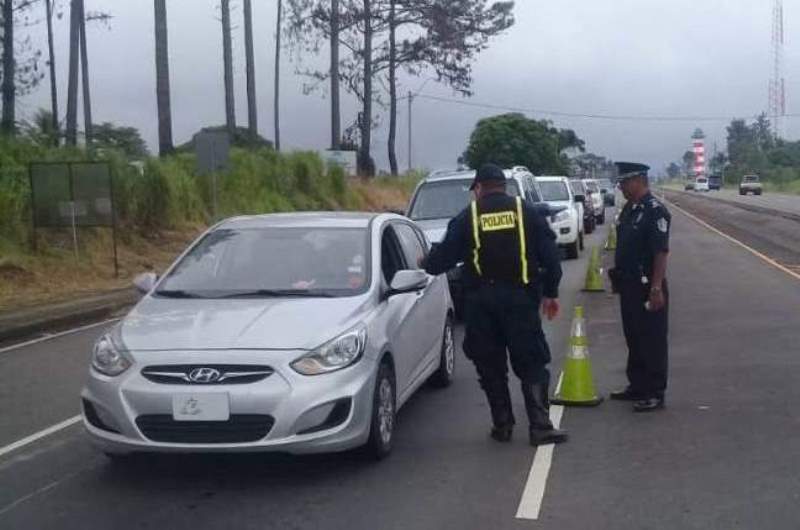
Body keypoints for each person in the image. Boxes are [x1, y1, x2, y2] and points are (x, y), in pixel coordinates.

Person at [421, 163, 567, 446]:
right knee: (532, 362)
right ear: (504, 186)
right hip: (521, 302)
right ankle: (540, 427)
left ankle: (503, 425)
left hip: (481, 306)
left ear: (478, 188)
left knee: (490, 365)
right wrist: (551, 292)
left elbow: (442, 260)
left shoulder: (467, 217)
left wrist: (424, 262)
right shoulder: (527, 212)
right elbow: (551, 257)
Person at [608, 162, 671, 412]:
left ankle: (654, 392)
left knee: (652, 340)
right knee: (633, 337)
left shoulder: (655, 211)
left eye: (624, 182)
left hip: (647, 286)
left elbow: (660, 252)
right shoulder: (630, 209)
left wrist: (656, 288)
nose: (621, 187)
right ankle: (637, 385)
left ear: (638, 181)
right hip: (629, 285)